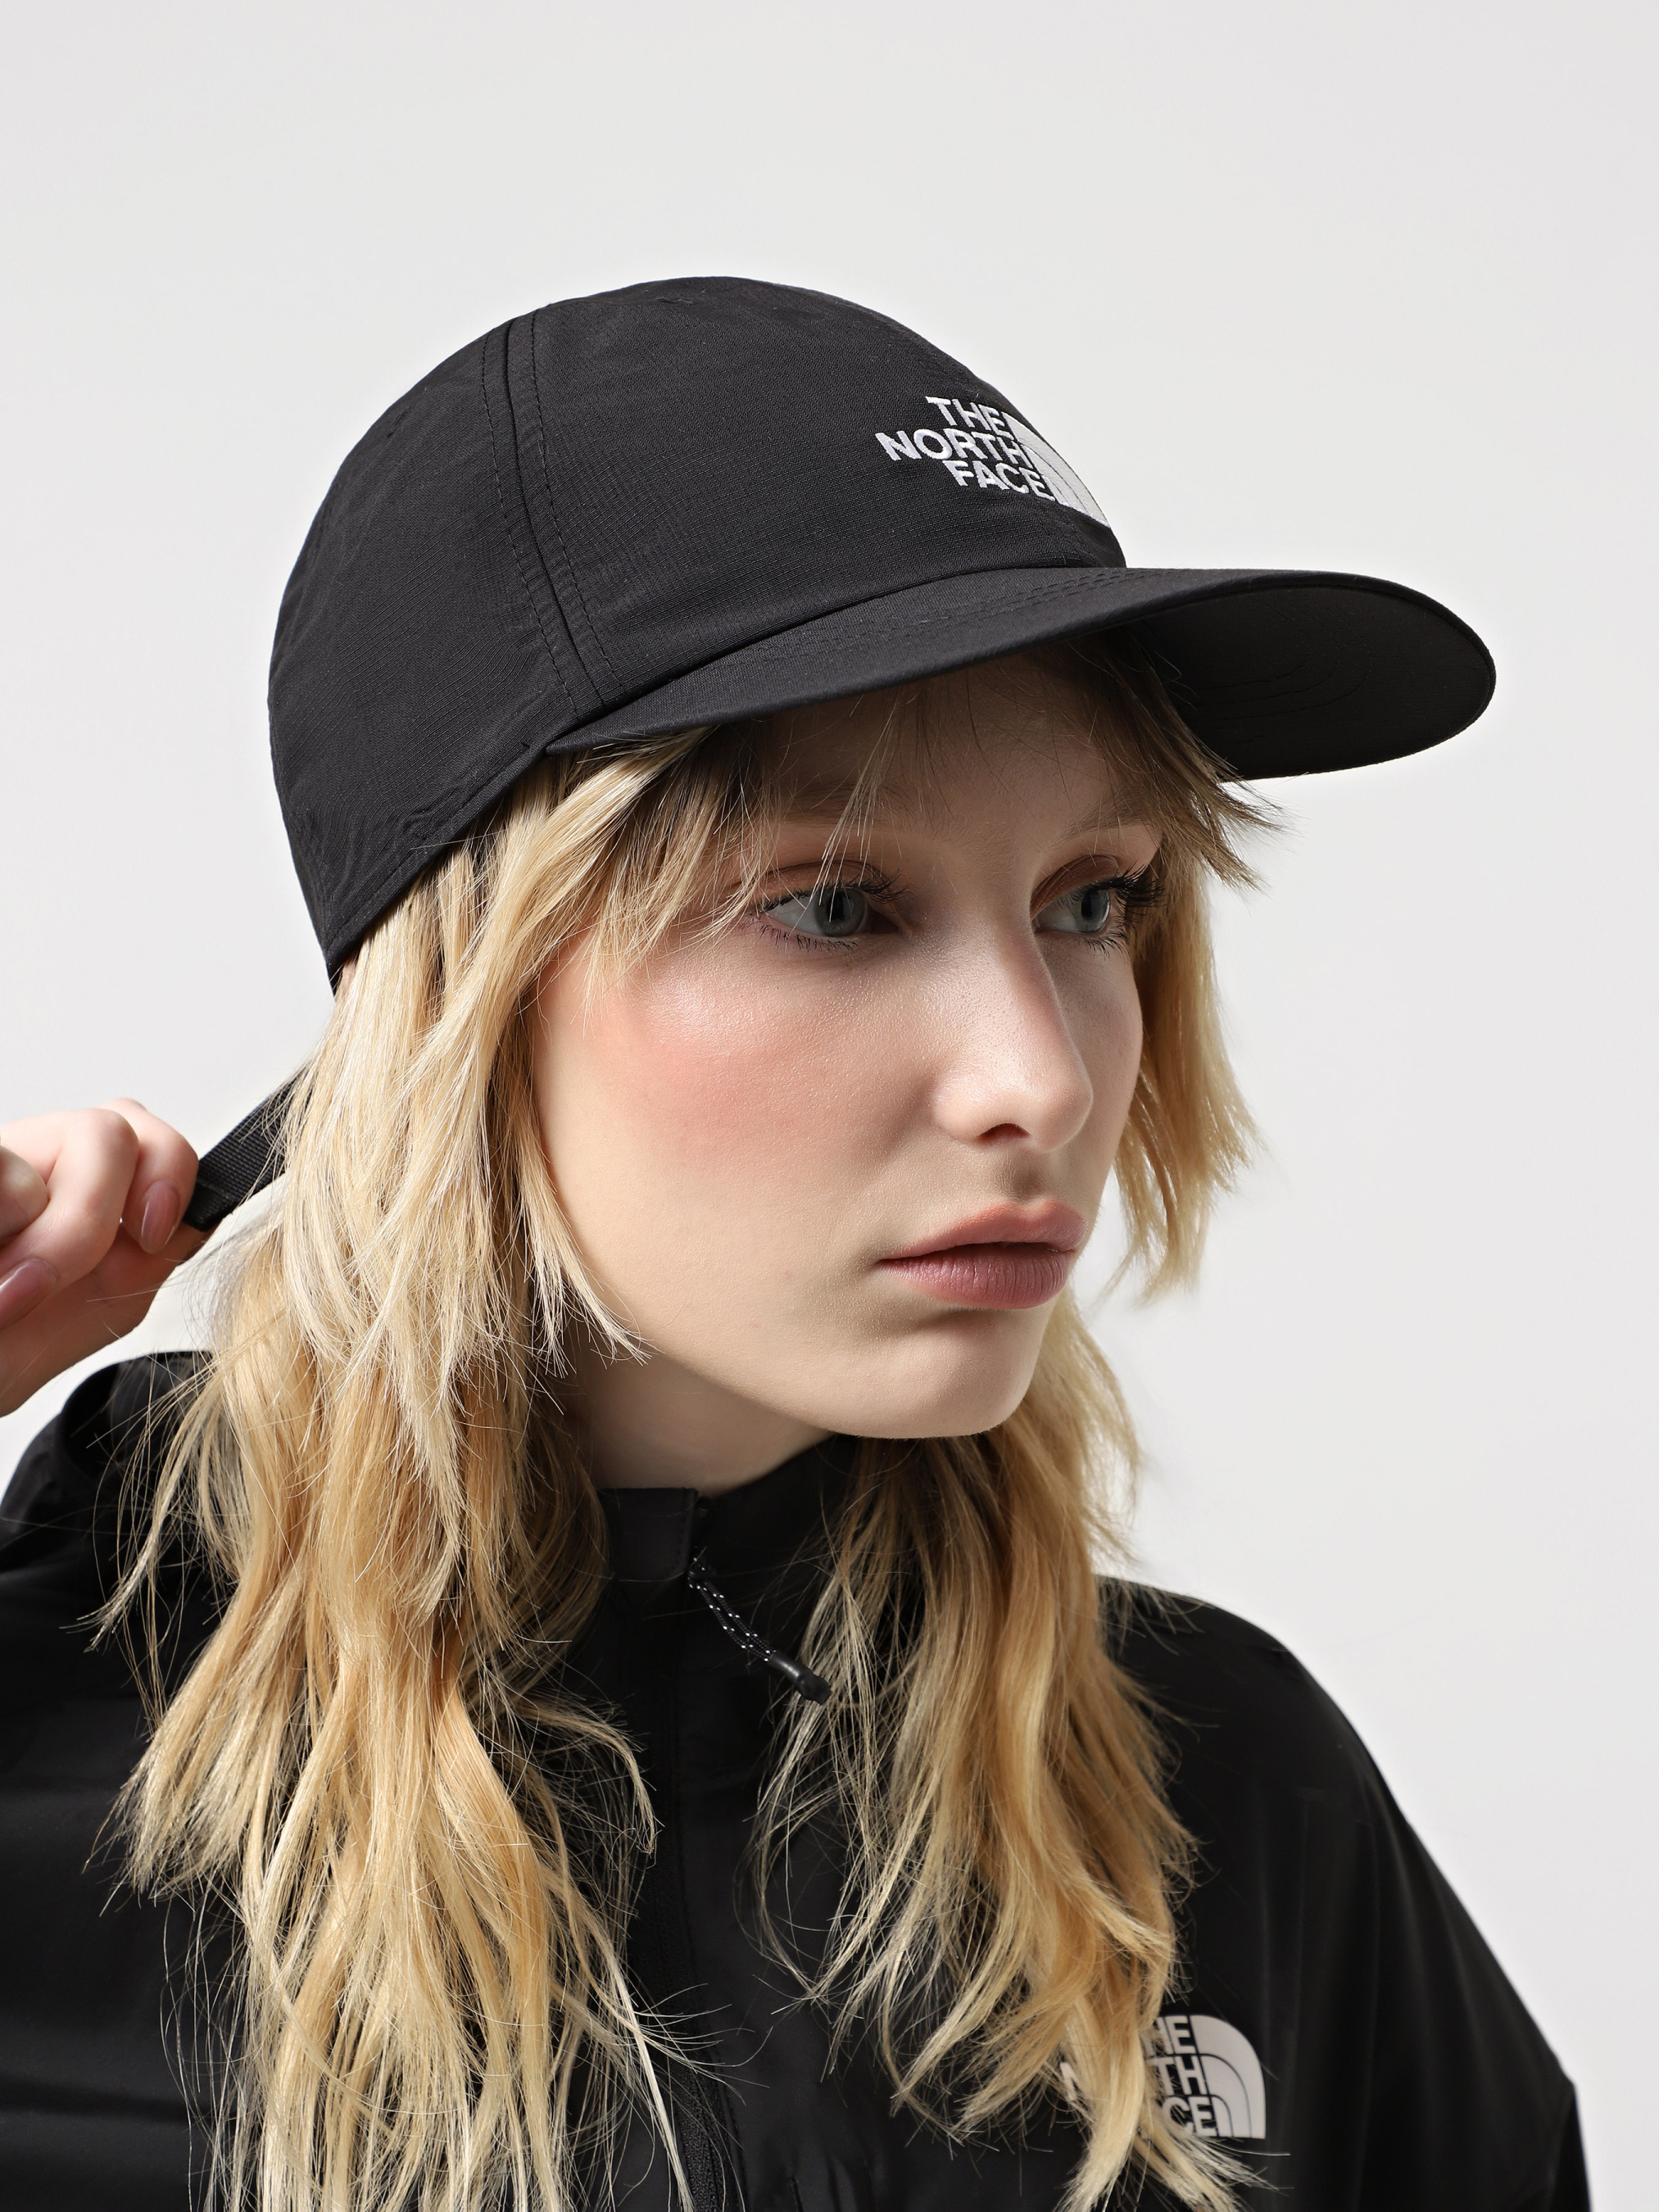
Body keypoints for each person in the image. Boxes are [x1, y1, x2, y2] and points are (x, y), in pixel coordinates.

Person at [0, 279, 1587, 2212]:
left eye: (1092, 900)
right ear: (459, 1000)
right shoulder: (53, 1790)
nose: (1039, 1077)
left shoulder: (1219, 1801)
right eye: (836, 907)